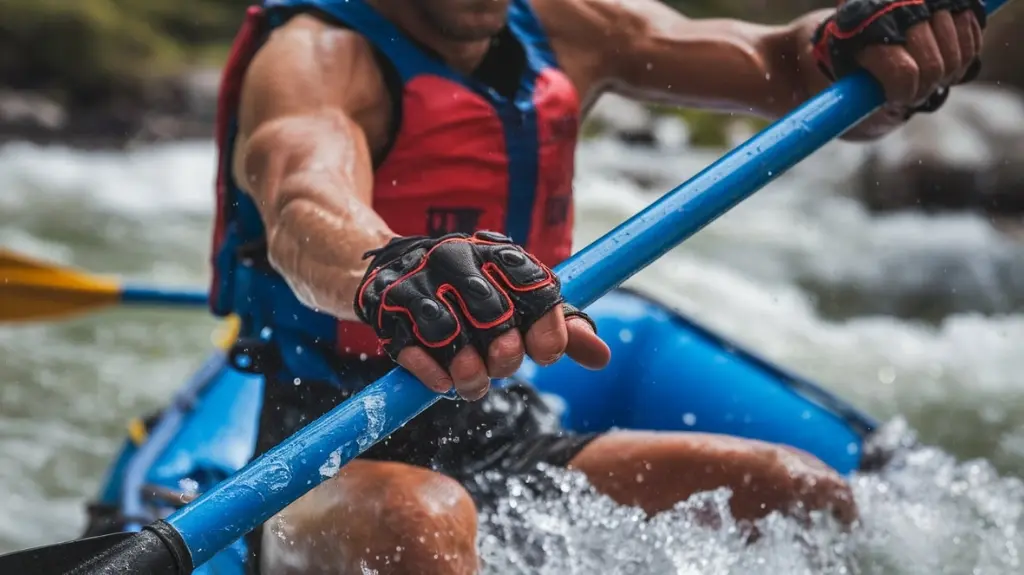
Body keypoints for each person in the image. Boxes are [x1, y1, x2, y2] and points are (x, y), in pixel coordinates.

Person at [206, 0, 986, 572]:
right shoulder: (314, 55)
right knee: (424, 520)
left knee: (798, 491)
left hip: (504, 429)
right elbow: (302, 203)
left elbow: (784, 65)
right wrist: (386, 269)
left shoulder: (572, 23)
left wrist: (856, 45)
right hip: (324, 453)